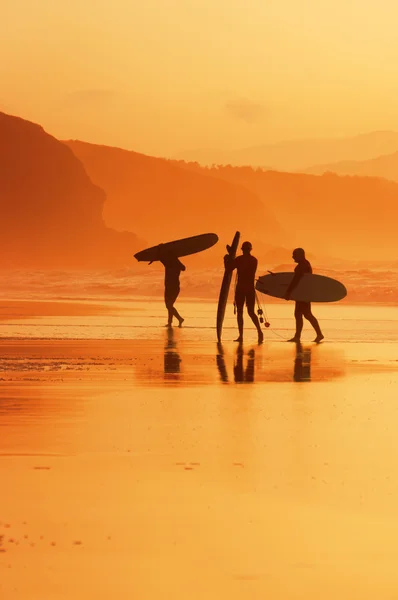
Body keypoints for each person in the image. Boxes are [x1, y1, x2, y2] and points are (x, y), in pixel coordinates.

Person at [225, 241, 263, 344]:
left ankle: (241, 336)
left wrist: (227, 259)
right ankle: (259, 332)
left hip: (241, 288)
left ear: (243, 250)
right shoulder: (254, 260)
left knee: (240, 312)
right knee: (251, 312)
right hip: (250, 288)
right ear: (250, 249)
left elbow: (228, 269)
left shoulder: (239, 260)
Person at [284, 248, 324, 343]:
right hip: (304, 293)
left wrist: (288, 292)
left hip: (303, 294)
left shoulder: (302, 266)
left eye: (294, 255)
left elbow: (295, 281)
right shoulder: (306, 264)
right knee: (300, 314)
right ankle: (298, 336)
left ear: (300, 255)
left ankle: (318, 334)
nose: (293, 256)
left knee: (306, 314)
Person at [155, 245, 185, 327]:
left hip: (171, 287)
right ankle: (170, 322)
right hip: (173, 287)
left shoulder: (169, 264)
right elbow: (184, 268)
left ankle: (179, 319)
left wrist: (159, 249)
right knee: (169, 305)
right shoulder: (175, 264)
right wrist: (176, 260)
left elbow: (160, 258)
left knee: (169, 305)